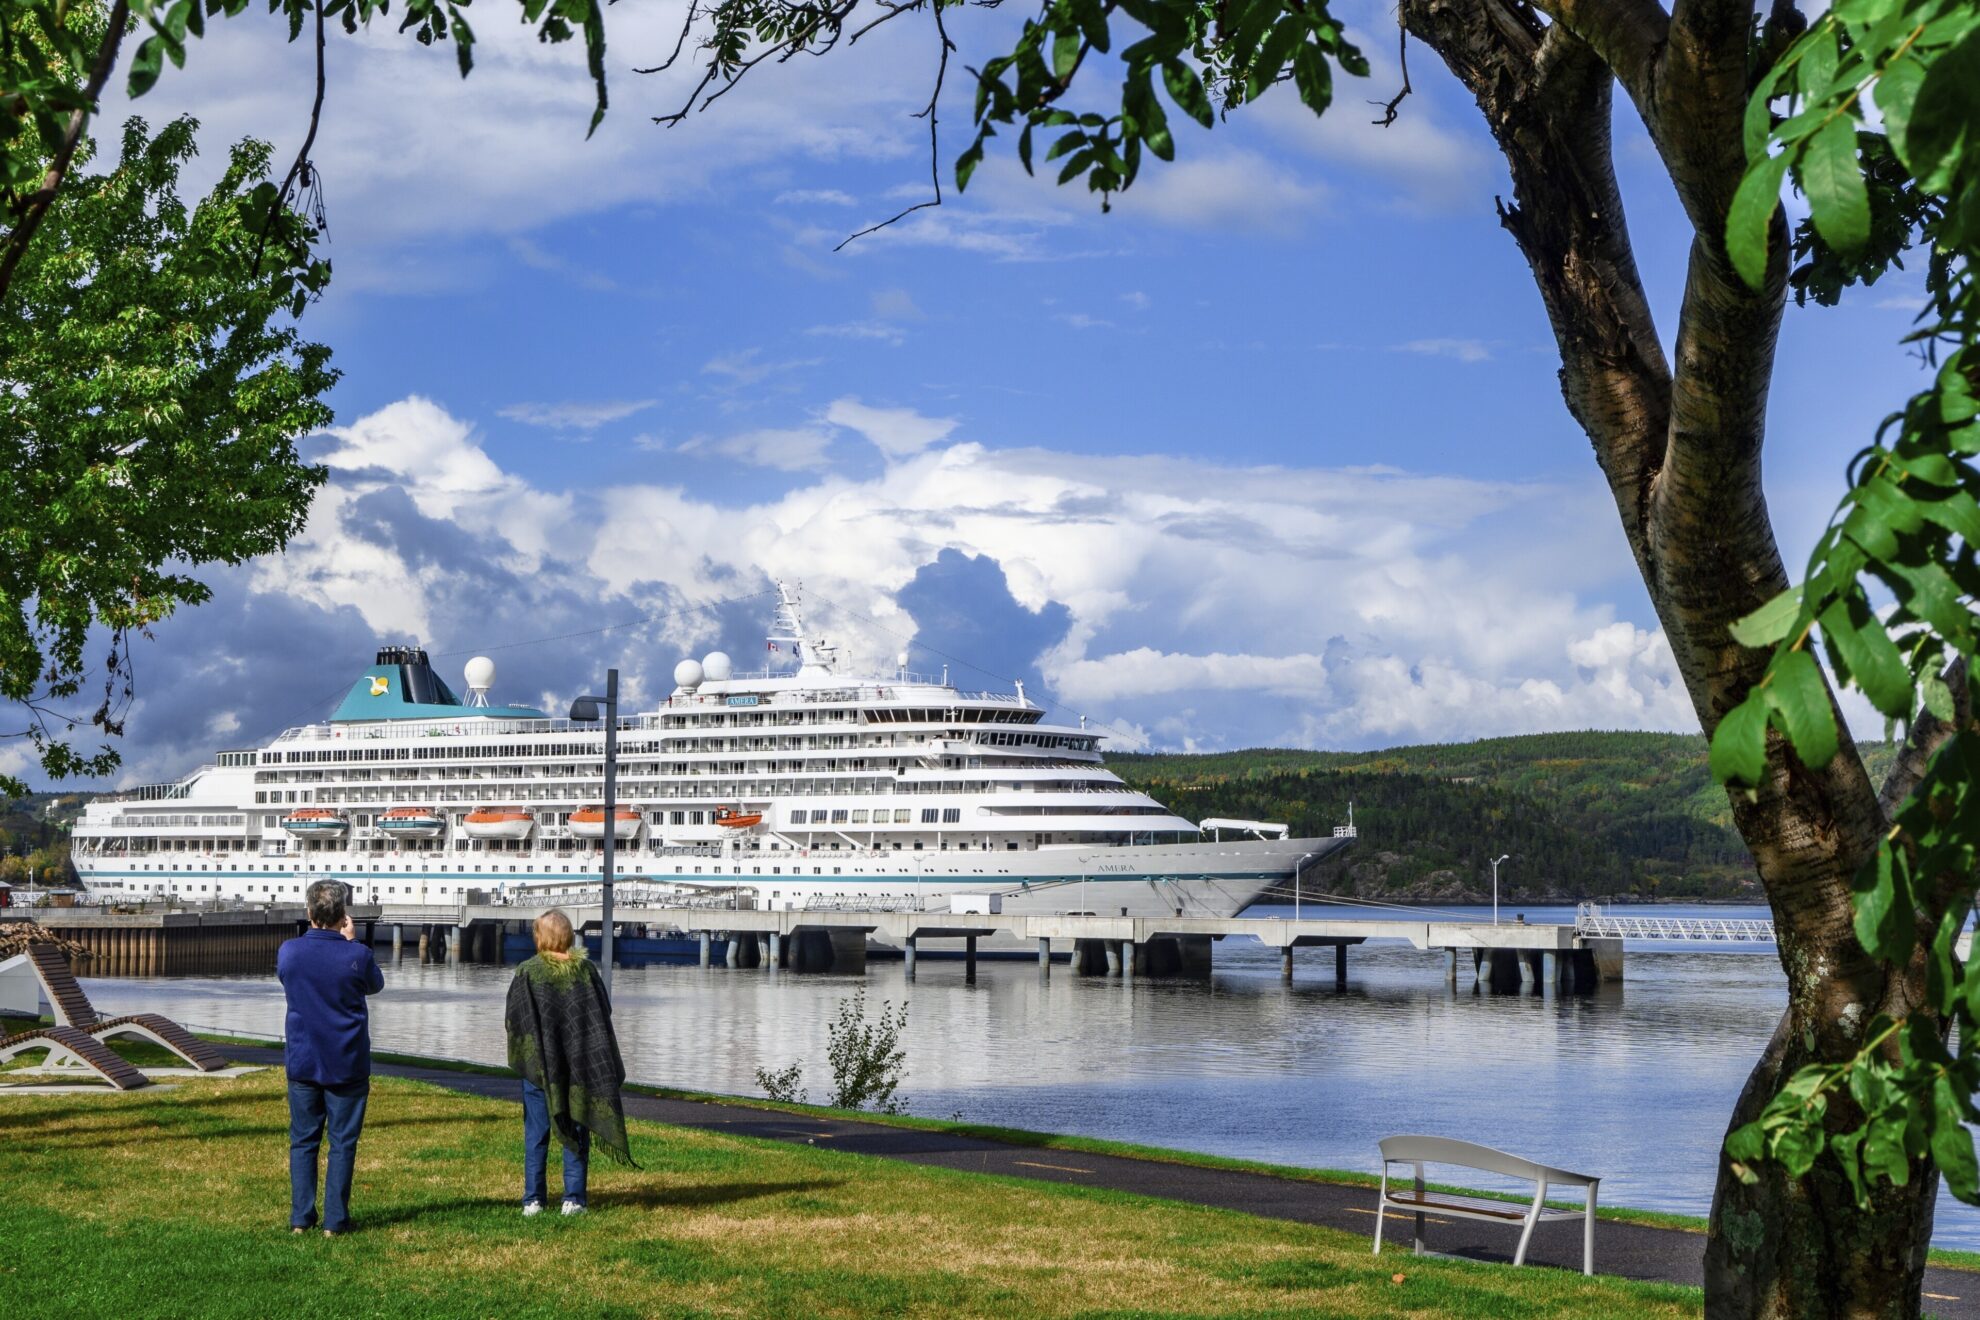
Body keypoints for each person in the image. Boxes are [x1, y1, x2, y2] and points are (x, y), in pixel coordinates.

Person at [505, 910, 635, 1216]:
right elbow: (602, 1012)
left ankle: (533, 1200)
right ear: (567, 937)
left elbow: (515, 1019)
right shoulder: (585, 971)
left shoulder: (527, 971)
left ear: (541, 937)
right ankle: (573, 1199)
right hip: (579, 1066)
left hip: (538, 1069)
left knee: (536, 1133)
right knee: (577, 1127)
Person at [277, 879, 384, 1236]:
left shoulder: (289, 952)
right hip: (347, 1061)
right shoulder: (358, 956)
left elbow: (288, 978)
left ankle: (300, 1219)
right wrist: (350, 942)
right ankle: (335, 1222)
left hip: (304, 1060)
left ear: (309, 913)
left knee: (304, 1140)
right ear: (343, 915)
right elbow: (376, 985)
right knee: (342, 1142)